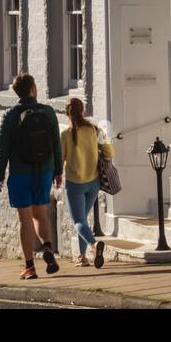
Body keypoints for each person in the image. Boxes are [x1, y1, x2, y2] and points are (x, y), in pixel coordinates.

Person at [0, 72, 64, 279]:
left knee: (25, 220)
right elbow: (56, 145)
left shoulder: (10, 116)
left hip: (20, 172)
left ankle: (29, 267)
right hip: (44, 171)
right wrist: (58, 171)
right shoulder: (48, 112)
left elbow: (2, 148)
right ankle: (48, 248)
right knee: (40, 214)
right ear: (33, 88)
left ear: (16, 92)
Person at [62, 97, 112, 268]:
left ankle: (93, 244)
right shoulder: (95, 129)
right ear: (82, 110)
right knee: (83, 220)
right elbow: (109, 151)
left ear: (67, 114)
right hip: (94, 182)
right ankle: (82, 257)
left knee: (78, 221)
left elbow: (59, 158)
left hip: (75, 183)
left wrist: (55, 175)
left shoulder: (66, 135)